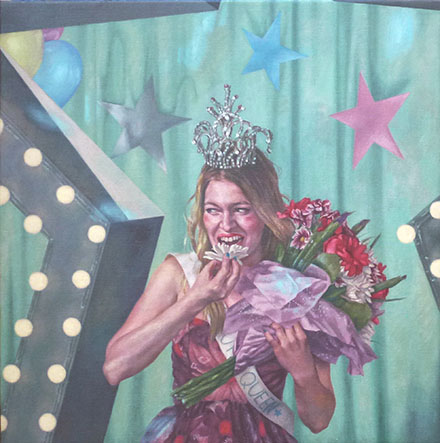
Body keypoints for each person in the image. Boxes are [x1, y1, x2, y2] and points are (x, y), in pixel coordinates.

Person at [103, 86, 336, 442]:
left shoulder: (299, 285)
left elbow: (318, 421)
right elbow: (114, 368)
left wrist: (303, 372)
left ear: (267, 212)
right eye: (213, 210)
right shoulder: (180, 273)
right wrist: (195, 299)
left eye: (241, 209)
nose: (226, 225)